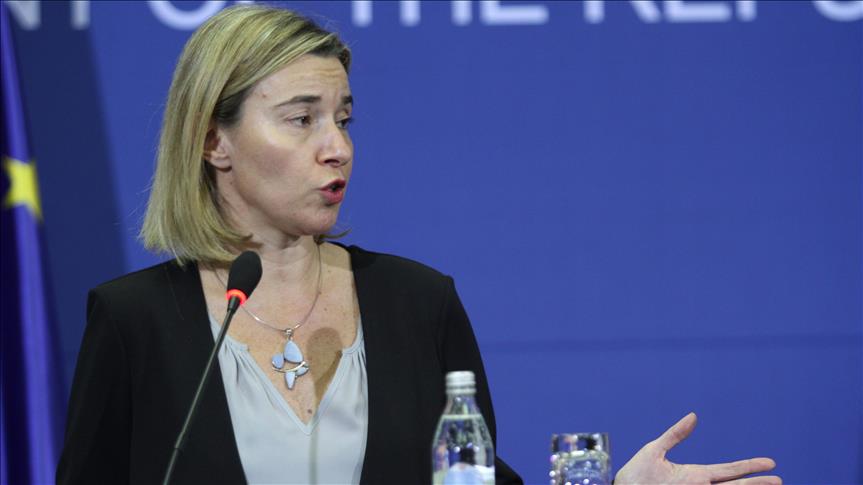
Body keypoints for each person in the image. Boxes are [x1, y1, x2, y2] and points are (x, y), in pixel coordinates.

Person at [56, 5, 781, 485]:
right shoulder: (133, 321)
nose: (337, 147)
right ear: (214, 141)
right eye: (302, 119)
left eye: (343, 118)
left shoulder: (416, 302)